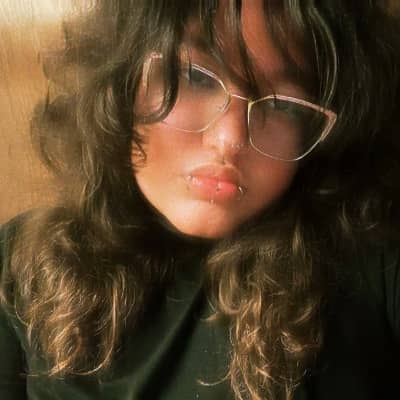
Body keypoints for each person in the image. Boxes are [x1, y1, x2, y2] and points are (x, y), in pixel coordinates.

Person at [1, 0, 400, 399]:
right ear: (121, 76)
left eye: (283, 105)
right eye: (195, 76)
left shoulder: (368, 266)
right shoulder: (20, 263)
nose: (231, 139)